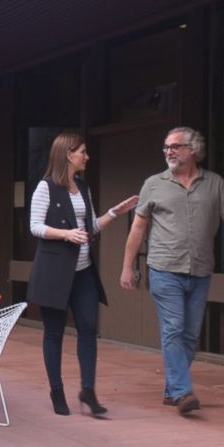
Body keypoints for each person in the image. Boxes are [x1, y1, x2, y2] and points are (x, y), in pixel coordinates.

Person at [120, 127, 224, 415]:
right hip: (164, 268)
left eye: (175, 146)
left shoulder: (215, 184)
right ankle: (183, 392)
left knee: (191, 335)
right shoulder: (154, 184)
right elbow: (138, 228)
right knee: (173, 329)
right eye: (166, 147)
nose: (169, 151)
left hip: (200, 269)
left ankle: (172, 389)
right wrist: (127, 266)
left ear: (193, 149)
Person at [28, 132, 138, 418]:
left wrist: (114, 212)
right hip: (54, 273)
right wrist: (66, 234)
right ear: (68, 154)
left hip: (83, 271)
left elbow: (89, 227)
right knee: (54, 333)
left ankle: (87, 391)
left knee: (88, 327)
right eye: (83, 152)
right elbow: (35, 227)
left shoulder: (82, 187)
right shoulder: (45, 188)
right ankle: (57, 391)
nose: (87, 157)